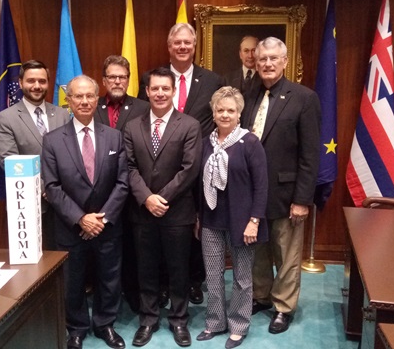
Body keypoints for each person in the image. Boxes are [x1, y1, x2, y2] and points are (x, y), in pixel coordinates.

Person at [137, 22, 223, 306]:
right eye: (177, 43)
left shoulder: (212, 80)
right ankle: (163, 285)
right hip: (158, 169)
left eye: (188, 42)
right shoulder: (153, 79)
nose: (183, 47)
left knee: (197, 225)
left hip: (199, 168)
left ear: (195, 46)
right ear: (169, 46)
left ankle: (193, 281)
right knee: (160, 229)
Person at [239, 37, 321, 334]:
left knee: (286, 254)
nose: (268, 64)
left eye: (274, 58)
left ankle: (283, 306)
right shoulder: (248, 94)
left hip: (288, 195)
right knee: (258, 248)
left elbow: (310, 154)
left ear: (285, 62)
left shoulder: (304, 97)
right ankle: (261, 296)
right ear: (255, 62)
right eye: (262, 59)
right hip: (253, 193)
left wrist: (302, 199)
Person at [42, 75, 129, 349]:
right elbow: (52, 186)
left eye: (89, 95)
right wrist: (80, 218)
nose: (84, 101)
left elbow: (123, 182)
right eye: (78, 96)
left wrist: (101, 218)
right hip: (71, 226)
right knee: (73, 280)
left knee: (109, 277)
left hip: (107, 225)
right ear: (68, 101)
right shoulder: (53, 140)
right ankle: (76, 328)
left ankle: (105, 324)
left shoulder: (114, 136)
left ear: (97, 98)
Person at [124, 67, 202, 347]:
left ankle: (179, 320)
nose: (159, 93)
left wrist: (162, 198)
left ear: (174, 91)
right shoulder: (132, 126)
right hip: (142, 212)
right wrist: (146, 198)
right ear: (147, 91)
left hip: (177, 212)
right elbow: (129, 167)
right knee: (145, 268)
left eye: (165, 89)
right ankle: (148, 319)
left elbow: (190, 168)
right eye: (154, 88)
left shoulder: (190, 125)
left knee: (178, 269)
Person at [195, 86, 268, 349]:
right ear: (213, 113)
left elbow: (261, 185)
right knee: (213, 275)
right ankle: (215, 322)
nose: (225, 114)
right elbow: (198, 186)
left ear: (239, 114)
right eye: (220, 110)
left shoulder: (250, 143)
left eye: (231, 110)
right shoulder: (206, 143)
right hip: (211, 221)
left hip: (242, 222)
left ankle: (238, 326)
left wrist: (255, 220)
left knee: (241, 278)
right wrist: (199, 218)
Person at [0, 60, 71, 250]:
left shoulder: (62, 114)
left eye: (42, 81)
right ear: (21, 83)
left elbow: (71, 156)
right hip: (29, 203)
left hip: (64, 202)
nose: (37, 86)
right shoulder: (6, 118)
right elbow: (9, 161)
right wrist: (47, 188)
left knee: (64, 258)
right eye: (31, 81)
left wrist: (58, 190)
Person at [94, 55, 149, 313]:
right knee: (105, 251)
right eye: (112, 77)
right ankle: (106, 300)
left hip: (133, 194)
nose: (117, 81)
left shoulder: (143, 107)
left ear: (129, 80)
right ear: (103, 80)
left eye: (122, 77)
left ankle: (136, 295)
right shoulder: (92, 107)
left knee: (135, 249)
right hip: (101, 194)